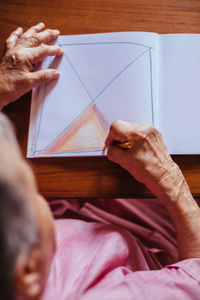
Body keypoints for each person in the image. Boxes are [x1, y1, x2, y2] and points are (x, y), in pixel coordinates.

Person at [0, 24, 200, 300]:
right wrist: (169, 180)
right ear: (29, 271)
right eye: (31, 193)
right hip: (163, 235)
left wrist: (1, 89)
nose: (36, 195)